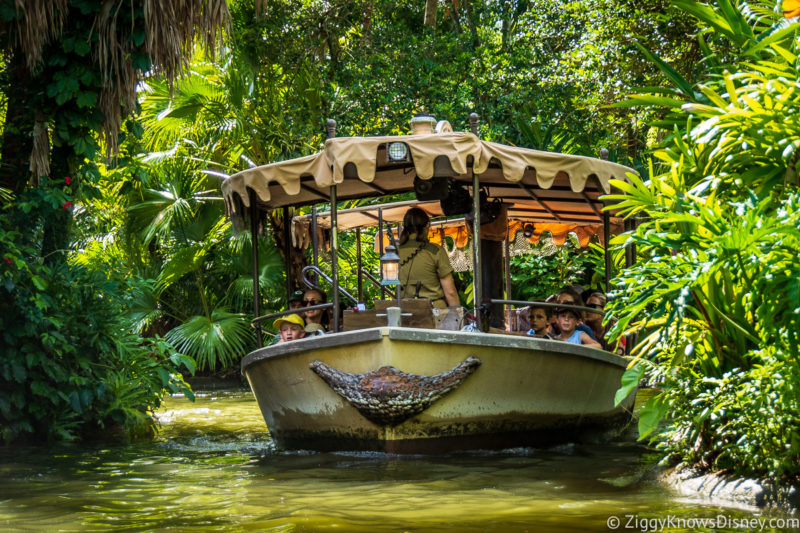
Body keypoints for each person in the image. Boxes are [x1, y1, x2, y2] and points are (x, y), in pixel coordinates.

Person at [397, 207, 460, 308]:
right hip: (433, 312)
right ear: (427, 225)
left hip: (404, 312)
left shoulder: (394, 253)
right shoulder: (435, 251)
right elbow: (450, 292)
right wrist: (457, 315)